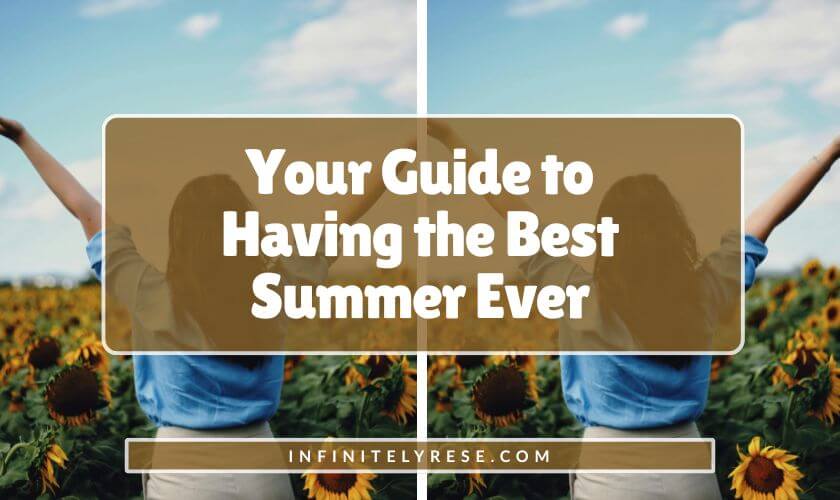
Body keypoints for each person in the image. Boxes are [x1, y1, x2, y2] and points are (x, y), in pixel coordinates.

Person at [428, 120, 839, 499]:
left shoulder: (577, 292)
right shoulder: (705, 289)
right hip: (689, 472)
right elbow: (764, 220)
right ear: (676, 234)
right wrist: (834, 147)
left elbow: (514, 213)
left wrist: (449, 141)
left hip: (611, 475)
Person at [0, 116, 404, 499]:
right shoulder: (276, 285)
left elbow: (86, 209)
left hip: (183, 469)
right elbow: (343, 217)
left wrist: (23, 139)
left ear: (179, 237)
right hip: (260, 463)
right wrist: (408, 148)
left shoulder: (148, 290)